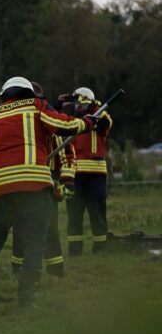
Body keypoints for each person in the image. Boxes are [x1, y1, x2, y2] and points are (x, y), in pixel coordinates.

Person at [0, 76, 93, 309]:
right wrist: (86, 122)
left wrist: (2, 172)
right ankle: (26, 300)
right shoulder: (37, 107)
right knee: (34, 243)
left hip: (0, 187)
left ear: (4, 95)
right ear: (29, 93)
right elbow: (64, 125)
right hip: (35, 186)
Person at [11, 82, 74, 278]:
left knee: (49, 227)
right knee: (20, 226)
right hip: (24, 180)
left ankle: (55, 270)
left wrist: (66, 182)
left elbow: (67, 154)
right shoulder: (20, 124)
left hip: (47, 180)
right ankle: (18, 268)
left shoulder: (49, 122)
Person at [64, 87, 113, 255]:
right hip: (74, 174)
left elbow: (105, 123)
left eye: (82, 105)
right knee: (74, 214)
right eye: (77, 105)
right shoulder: (70, 120)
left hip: (95, 175)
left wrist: (95, 108)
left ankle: (100, 249)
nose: (79, 108)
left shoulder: (100, 116)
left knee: (97, 213)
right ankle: (75, 250)